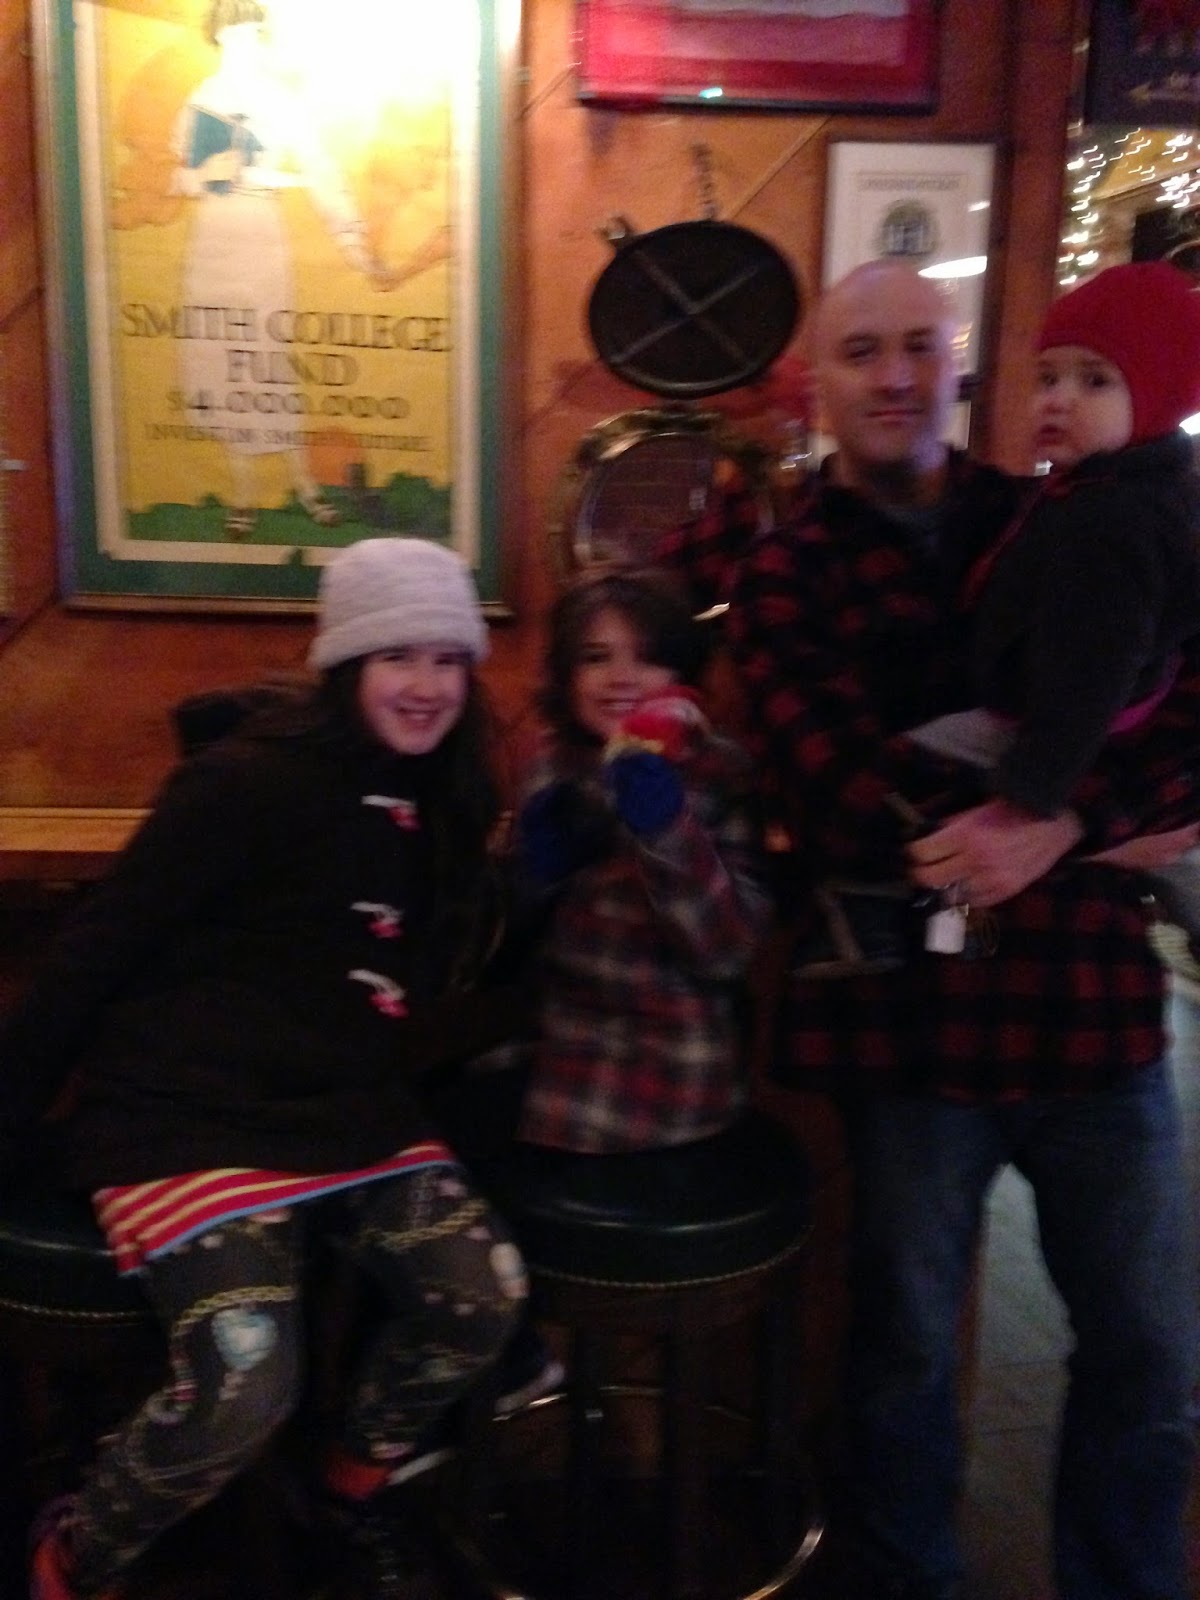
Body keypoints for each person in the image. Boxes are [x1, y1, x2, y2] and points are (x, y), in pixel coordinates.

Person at [659, 258, 1200, 1600]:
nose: (896, 375)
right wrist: (1076, 806)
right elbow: (838, 792)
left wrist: (1060, 824)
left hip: (1096, 1010)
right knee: (901, 1349)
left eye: (918, 345)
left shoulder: (1072, 508)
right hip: (912, 1033)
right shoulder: (786, 571)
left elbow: (1191, 721)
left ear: (957, 363)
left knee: (1152, 1351)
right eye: (863, 351)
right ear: (823, 383)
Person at [0, 537, 528, 1600]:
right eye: (398, 656)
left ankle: (343, 1494)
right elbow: (97, 949)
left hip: (349, 1114)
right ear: (347, 663)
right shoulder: (244, 781)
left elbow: (420, 981)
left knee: (482, 1295)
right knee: (244, 1382)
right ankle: (73, 1558)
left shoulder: (441, 796)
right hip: (188, 1114)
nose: (426, 685)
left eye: (447, 660)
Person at [906, 259, 1200, 944]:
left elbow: (1091, 667)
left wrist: (1031, 796)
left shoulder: (1109, 522)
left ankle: (936, 934)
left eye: (1094, 381)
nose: (1057, 400)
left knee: (913, 762)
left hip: (1050, 726)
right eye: (1047, 378)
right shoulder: (1091, 492)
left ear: (1155, 399)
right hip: (1079, 720)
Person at [510, 567, 770, 1154]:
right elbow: (516, 944)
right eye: (595, 657)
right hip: (560, 1051)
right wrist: (529, 879)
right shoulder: (551, 763)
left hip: (674, 1066)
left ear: (680, 673)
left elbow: (726, 954)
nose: (621, 678)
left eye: (648, 658)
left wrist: (666, 829)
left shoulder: (718, 770)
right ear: (566, 673)